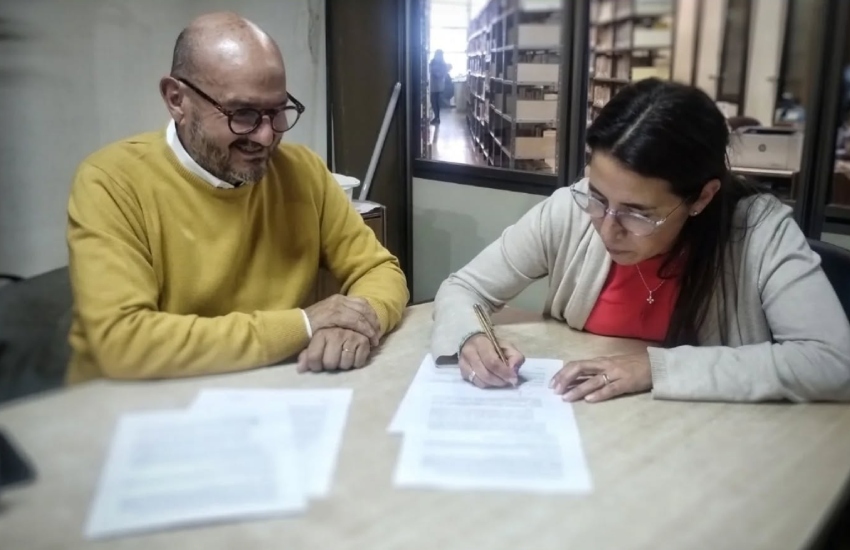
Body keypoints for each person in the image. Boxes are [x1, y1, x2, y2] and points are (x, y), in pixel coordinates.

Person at [431, 78, 850, 403]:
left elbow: (834, 362)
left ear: (701, 197)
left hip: (710, 448)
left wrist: (655, 368)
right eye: (597, 197)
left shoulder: (760, 232)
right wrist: (471, 337)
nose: (607, 227)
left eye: (638, 213)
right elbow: (463, 287)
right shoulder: (569, 211)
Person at [65, 12, 409, 384]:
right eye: (242, 114)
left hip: (272, 392)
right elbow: (124, 342)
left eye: (277, 111)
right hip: (134, 406)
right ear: (176, 99)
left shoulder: (303, 172)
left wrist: (357, 323)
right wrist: (305, 324)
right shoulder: (111, 182)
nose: (265, 137)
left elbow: (380, 270)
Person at [429, 50, 448, 125]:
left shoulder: (441, 63)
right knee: (435, 102)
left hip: (437, 86)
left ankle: (437, 117)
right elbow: (432, 70)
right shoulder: (434, 62)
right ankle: (437, 117)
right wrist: (437, 72)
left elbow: (441, 73)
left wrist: (436, 72)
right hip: (434, 85)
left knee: (435, 102)